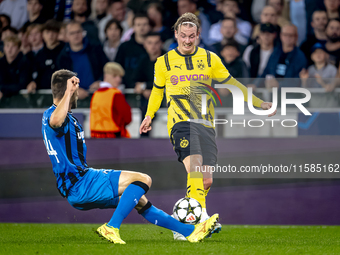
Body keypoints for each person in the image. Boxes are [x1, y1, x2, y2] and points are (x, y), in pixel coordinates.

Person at [139, 12, 276, 240]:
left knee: (206, 179)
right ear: (176, 34)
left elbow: (233, 83)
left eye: (192, 36)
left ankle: (181, 223)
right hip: (181, 124)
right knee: (195, 165)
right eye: (183, 36)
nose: (187, 40)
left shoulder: (211, 59)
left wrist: (260, 103)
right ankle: (201, 220)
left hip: (206, 125)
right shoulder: (163, 63)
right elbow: (157, 91)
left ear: (199, 35)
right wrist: (149, 115)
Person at [42, 69, 219, 244]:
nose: (78, 93)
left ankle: (191, 231)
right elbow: (56, 122)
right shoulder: (55, 115)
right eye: (75, 87)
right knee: (143, 179)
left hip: (80, 183)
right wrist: (69, 91)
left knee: (139, 200)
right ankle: (111, 227)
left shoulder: (62, 116)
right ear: (67, 88)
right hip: (80, 183)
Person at [56, 21, 108, 100]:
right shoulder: (62, 57)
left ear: (83, 33)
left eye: (78, 32)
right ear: (66, 36)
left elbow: (107, 68)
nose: (76, 35)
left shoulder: (95, 49)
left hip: (98, 95)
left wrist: (100, 82)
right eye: (72, 33)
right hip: (74, 101)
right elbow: (60, 81)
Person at [133, 32, 165, 135]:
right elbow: (135, 81)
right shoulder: (143, 60)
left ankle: (144, 133)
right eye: (150, 43)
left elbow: (167, 81)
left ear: (161, 44)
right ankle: (144, 135)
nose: (153, 46)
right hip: (147, 98)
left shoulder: (168, 59)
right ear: (145, 45)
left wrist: (145, 87)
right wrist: (143, 90)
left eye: (156, 43)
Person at [258, 24, 308, 88]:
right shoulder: (275, 52)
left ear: (296, 37)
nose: (288, 38)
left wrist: (280, 85)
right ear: (281, 35)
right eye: (285, 35)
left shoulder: (300, 57)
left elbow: (298, 80)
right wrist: (255, 85)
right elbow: (265, 72)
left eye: (291, 35)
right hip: (273, 93)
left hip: (290, 95)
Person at [90, 62, 131, 138]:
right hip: (112, 136)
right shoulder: (116, 94)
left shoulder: (95, 94)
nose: (119, 79)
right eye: (115, 76)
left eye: (120, 76)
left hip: (95, 136)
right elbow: (127, 117)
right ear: (106, 76)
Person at [114, 13, 151, 89]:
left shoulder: (155, 47)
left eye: (144, 24)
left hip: (150, 90)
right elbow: (117, 67)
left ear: (149, 26)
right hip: (127, 90)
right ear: (133, 27)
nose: (142, 27)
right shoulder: (124, 47)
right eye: (138, 25)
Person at [34, 19, 65, 90]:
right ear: (42, 35)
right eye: (47, 32)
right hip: (44, 94)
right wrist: (33, 82)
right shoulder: (39, 55)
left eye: (53, 32)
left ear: (58, 34)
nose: (51, 35)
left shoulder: (66, 51)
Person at [0, 36, 32, 101]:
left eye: (13, 46)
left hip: (21, 101)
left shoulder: (25, 62)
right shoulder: (1, 63)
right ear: (4, 48)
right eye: (7, 46)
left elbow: (22, 85)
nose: (10, 49)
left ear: (19, 49)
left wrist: (3, 90)